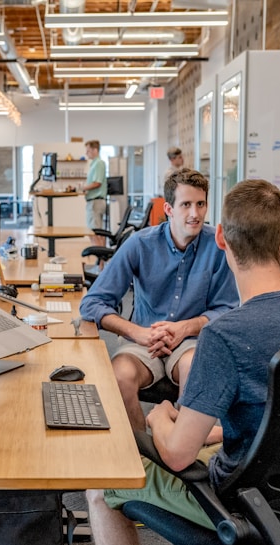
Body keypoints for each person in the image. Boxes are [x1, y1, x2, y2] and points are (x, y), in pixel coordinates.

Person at [86, 178, 280, 545]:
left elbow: (176, 456)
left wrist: (161, 416)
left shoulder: (225, 336)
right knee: (212, 442)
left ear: (223, 239)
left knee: (100, 488)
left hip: (249, 507)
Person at [79, 167, 239, 431]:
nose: (195, 214)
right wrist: (137, 333)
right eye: (186, 204)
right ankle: (143, 452)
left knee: (195, 372)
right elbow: (92, 303)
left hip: (191, 341)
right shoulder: (140, 244)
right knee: (119, 376)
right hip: (143, 340)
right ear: (168, 209)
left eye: (201, 204)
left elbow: (228, 309)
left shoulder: (218, 246)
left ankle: (180, 451)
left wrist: (184, 328)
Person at [83, 139, 108, 246]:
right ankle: (100, 260)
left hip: (95, 202)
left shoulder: (99, 163)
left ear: (95, 150)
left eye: (88, 150)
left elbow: (97, 183)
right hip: (94, 201)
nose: (86, 153)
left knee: (95, 233)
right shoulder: (94, 164)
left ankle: (100, 261)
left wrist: (84, 188)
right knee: (96, 232)